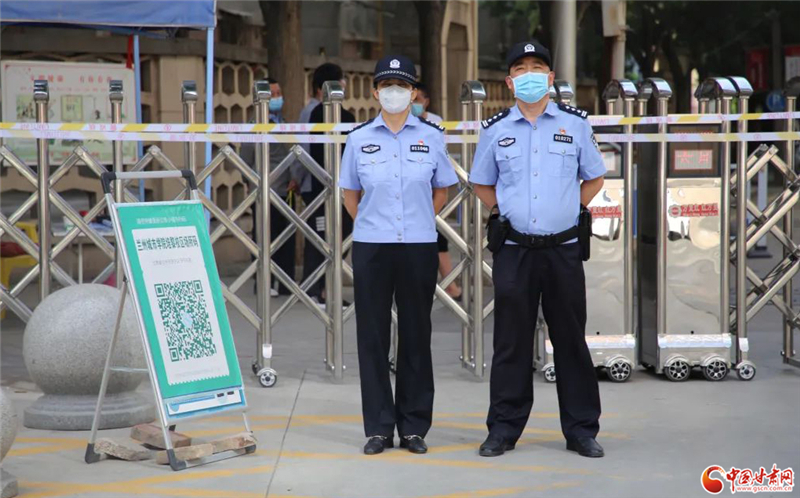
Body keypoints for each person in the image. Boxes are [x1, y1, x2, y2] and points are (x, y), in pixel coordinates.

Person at [469, 41, 607, 458]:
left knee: (570, 341)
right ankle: (503, 430)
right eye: (520, 68)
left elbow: (594, 177)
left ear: (550, 78)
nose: (529, 74)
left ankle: (581, 430)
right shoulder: (496, 129)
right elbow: (481, 182)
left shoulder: (575, 124)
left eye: (537, 67)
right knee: (510, 342)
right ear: (510, 82)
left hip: (563, 249)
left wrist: (570, 208)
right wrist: (503, 211)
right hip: (514, 250)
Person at [341, 55, 458, 456]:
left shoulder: (432, 137)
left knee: (416, 334)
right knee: (372, 336)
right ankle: (378, 428)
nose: (394, 92)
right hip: (372, 245)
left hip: (418, 245)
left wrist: (419, 218)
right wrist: (373, 222)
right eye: (387, 85)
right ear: (375, 92)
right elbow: (350, 194)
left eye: (402, 86)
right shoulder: (358, 139)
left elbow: (441, 189)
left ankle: (413, 427)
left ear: (413, 93)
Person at [298, 64, 356, 308]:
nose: (344, 84)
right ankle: (314, 289)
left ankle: (327, 288)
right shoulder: (315, 113)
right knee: (320, 237)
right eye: (341, 80)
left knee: (341, 236)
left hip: (341, 188)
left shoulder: (348, 117)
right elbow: (311, 151)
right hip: (320, 188)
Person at [240, 78, 296, 297]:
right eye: (272, 94)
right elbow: (245, 158)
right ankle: (264, 281)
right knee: (264, 236)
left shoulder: (284, 122)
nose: (277, 98)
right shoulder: (254, 125)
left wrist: (294, 177)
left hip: (286, 190)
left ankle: (286, 283)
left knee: (287, 236)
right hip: (264, 190)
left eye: (278, 93)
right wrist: (250, 182)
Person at [413, 84, 461, 299]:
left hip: (431, 187)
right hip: (412, 189)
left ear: (426, 101)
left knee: (437, 234)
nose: (414, 103)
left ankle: (449, 285)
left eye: (418, 99)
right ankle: (448, 286)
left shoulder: (436, 122)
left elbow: (440, 154)